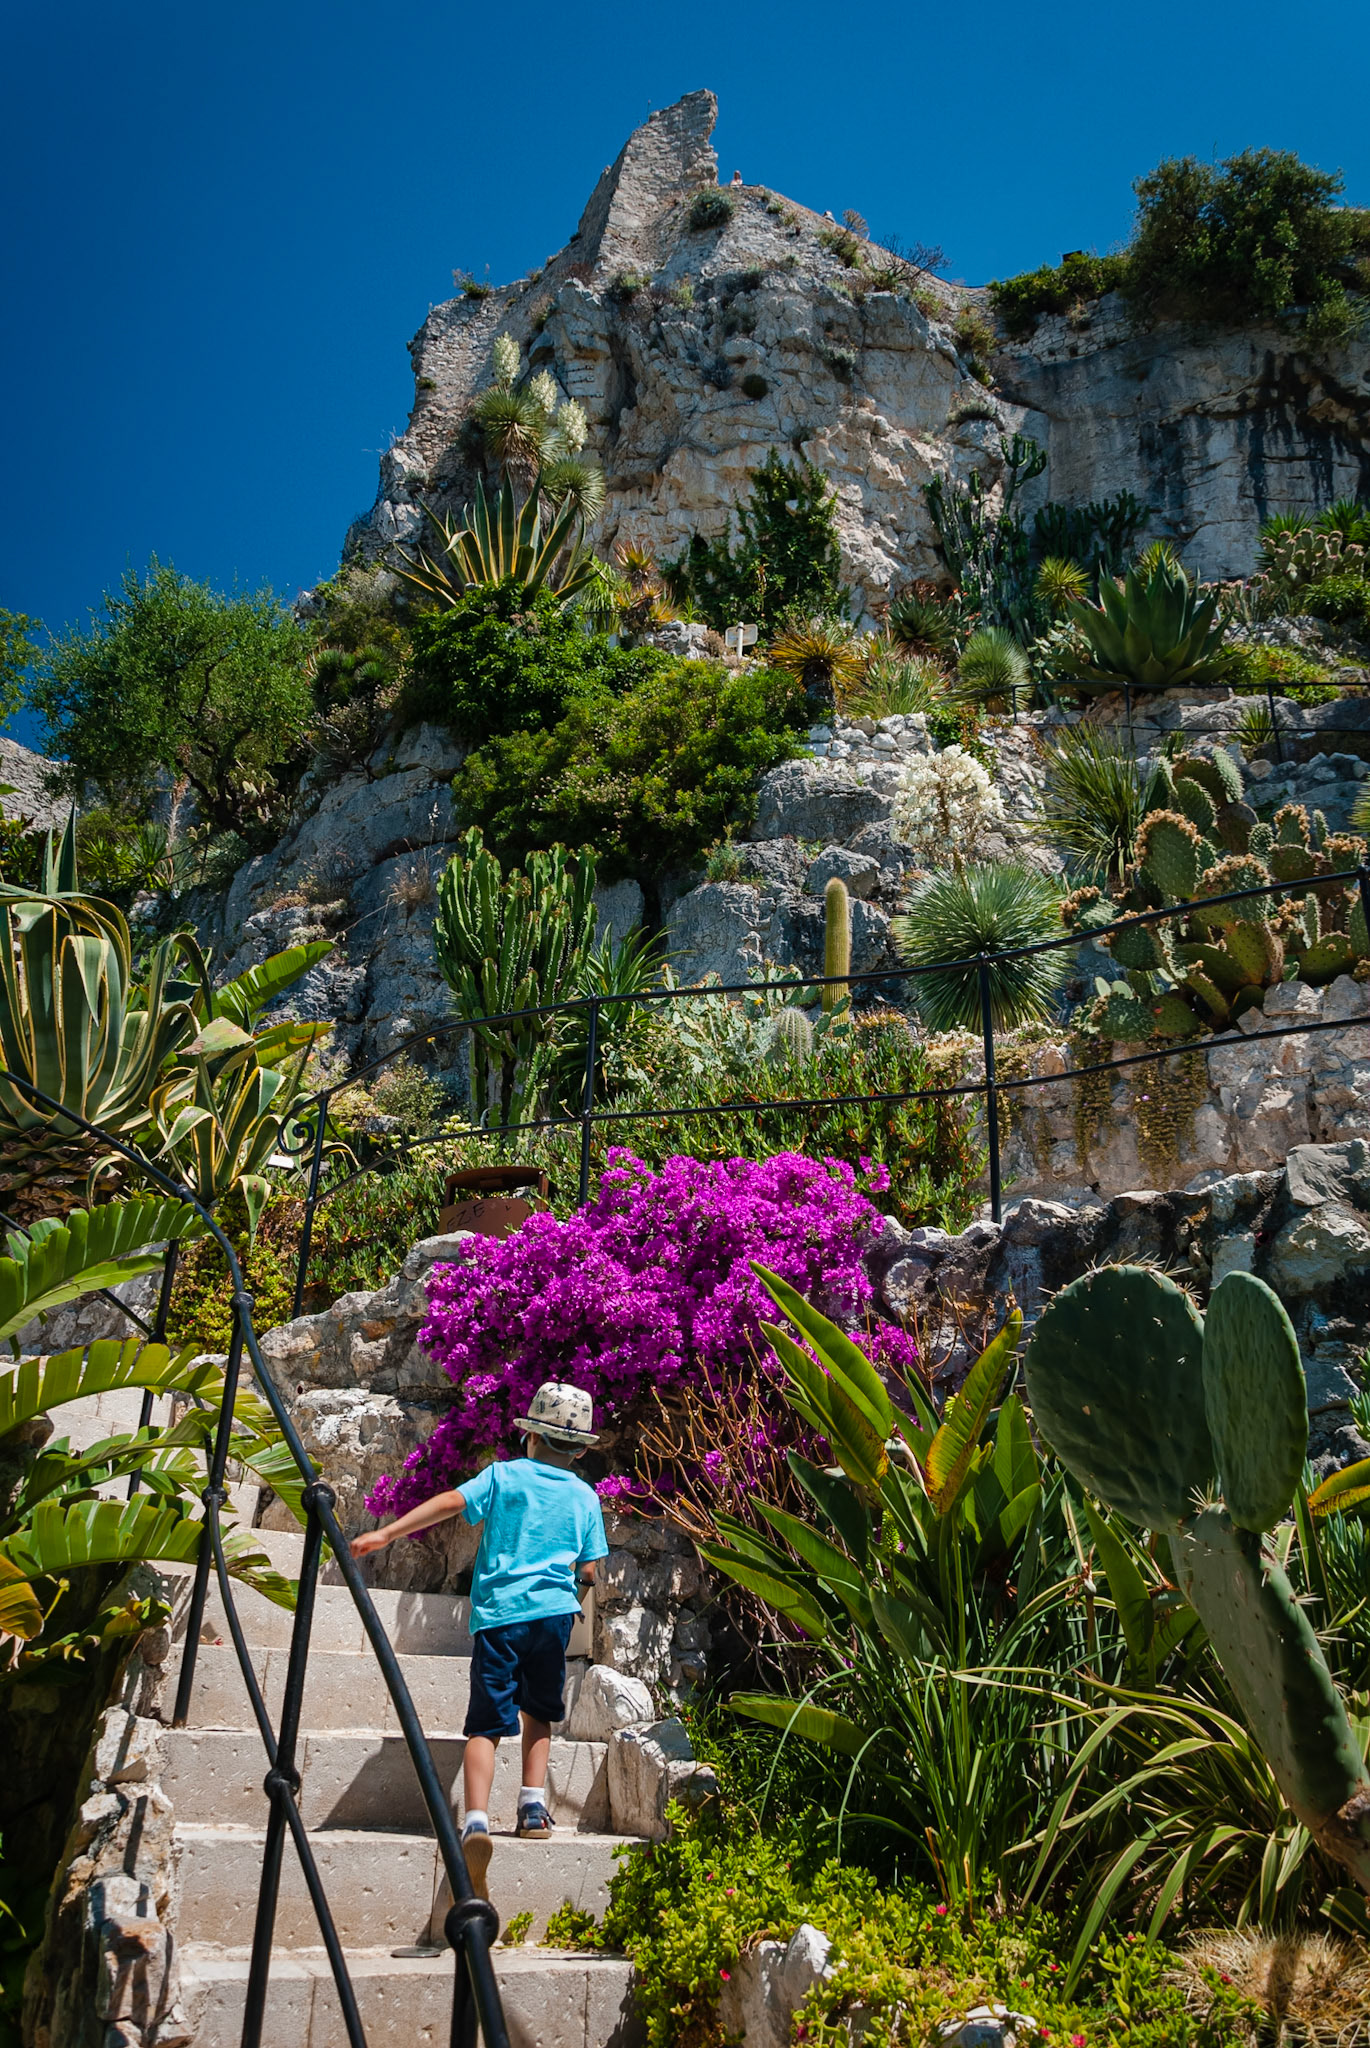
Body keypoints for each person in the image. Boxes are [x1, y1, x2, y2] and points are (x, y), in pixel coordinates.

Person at [350, 1381, 607, 1899]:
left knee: (486, 1724)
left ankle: (475, 1820)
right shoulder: (585, 1495)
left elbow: (450, 1501)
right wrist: (574, 1589)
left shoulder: (504, 1475)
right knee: (540, 1713)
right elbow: (592, 1568)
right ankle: (533, 1806)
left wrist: (387, 1533)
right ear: (580, 1450)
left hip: (500, 1618)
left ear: (529, 1436)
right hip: (554, 1618)